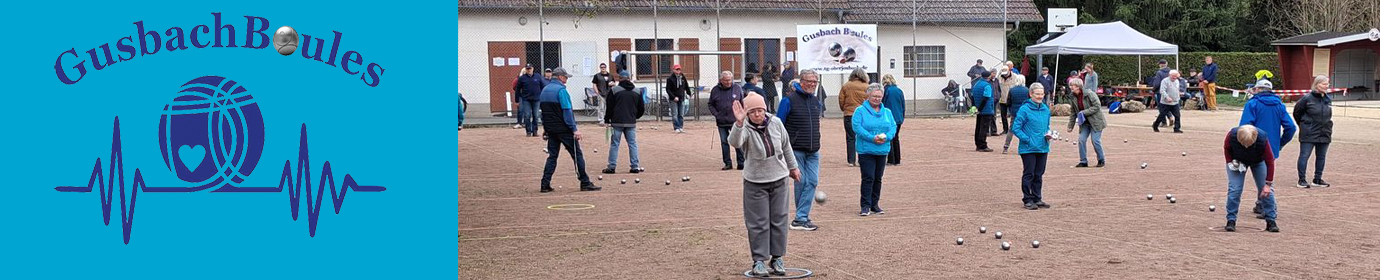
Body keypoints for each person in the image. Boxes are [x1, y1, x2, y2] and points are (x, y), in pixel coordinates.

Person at [729, 93, 799, 277]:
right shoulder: (744, 127)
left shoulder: (776, 123)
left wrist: (793, 167)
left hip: (779, 178)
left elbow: (786, 146)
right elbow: (734, 142)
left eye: (760, 110)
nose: (757, 114)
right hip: (755, 181)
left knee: (779, 219)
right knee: (758, 223)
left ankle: (777, 258)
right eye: (752, 111)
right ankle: (759, 261)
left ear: (765, 109)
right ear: (748, 113)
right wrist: (738, 123)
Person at [1239, 79, 1296, 218]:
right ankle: (1260, 204)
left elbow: (1245, 126)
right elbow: (1291, 127)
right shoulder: (1279, 105)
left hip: (1253, 146)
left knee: (1261, 178)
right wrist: (1280, 143)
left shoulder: (1252, 104)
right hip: (1272, 147)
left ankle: (1269, 207)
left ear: (1257, 89)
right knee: (1265, 176)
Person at [538, 68, 601, 193]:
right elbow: (567, 111)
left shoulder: (544, 90)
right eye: (566, 77)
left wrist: (545, 128)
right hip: (564, 129)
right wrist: (574, 129)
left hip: (551, 129)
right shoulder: (561, 91)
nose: (567, 79)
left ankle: (545, 184)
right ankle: (585, 182)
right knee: (577, 155)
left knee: (552, 156)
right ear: (560, 77)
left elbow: (543, 113)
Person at [776, 70, 824, 231]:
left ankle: (800, 217)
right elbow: (778, 125)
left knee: (812, 181)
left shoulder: (815, 100)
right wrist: (782, 148)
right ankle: (801, 218)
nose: (812, 84)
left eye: (814, 82)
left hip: (813, 149)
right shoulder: (788, 100)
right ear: (801, 81)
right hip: (795, 149)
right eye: (809, 81)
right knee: (801, 182)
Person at [1221, 125, 1280, 233]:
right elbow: (1227, 149)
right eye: (1243, 144)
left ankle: (1271, 220)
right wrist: (1230, 163)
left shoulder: (1262, 139)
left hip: (1258, 161)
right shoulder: (1231, 136)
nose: (1246, 147)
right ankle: (1231, 220)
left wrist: (1268, 184)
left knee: (1267, 191)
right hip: (1237, 161)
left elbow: (1270, 162)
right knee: (1235, 189)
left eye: (1249, 144)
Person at [853, 84, 896, 216]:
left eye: (879, 96)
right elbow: (857, 127)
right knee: (868, 177)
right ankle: (865, 205)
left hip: (882, 149)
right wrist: (872, 138)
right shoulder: (860, 111)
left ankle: (874, 204)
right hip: (866, 150)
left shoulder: (887, 112)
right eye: (874, 96)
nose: (877, 99)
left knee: (878, 178)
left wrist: (887, 137)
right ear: (868, 95)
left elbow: (893, 127)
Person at [1011, 80, 1052, 210]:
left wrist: (1049, 134)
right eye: (1037, 94)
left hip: (1043, 147)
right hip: (1028, 148)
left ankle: (1037, 197)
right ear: (1031, 94)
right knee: (1029, 174)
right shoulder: (1024, 109)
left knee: (1039, 174)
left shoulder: (1045, 109)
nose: (1040, 96)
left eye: (1042, 94)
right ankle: (1027, 199)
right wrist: (1027, 139)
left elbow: (1047, 126)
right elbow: (1016, 128)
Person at [1293, 75, 1333, 188]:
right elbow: (1297, 113)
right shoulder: (1306, 99)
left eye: (1327, 84)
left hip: (1325, 132)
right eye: (1324, 84)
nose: (1327, 86)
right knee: (1304, 156)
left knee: (1321, 156)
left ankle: (1317, 179)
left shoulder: (1327, 99)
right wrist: (1304, 125)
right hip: (1309, 133)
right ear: (1317, 84)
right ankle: (1301, 180)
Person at [602, 79, 646, 174]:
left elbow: (609, 107)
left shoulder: (614, 90)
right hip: (630, 122)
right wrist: (635, 116)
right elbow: (641, 108)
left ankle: (611, 166)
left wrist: (607, 119)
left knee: (615, 144)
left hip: (617, 121)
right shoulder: (637, 91)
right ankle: (635, 166)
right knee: (632, 144)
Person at [710, 71, 747, 170]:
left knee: (738, 142)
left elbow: (742, 102)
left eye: (730, 80)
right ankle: (727, 163)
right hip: (721, 122)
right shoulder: (715, 90)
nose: (728, 82)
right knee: (724, 142)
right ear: (721, 80)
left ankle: (741, 162)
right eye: (726, 80)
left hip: (735, 121)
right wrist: (716, 114)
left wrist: (742, 116)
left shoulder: (737, 88)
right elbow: (711, 104)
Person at [1065, 79, 1106, 168]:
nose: (1071, 87)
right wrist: (1070, 126)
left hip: (1096, 121)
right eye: (1070, 85)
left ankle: (1101, 159)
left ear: (1078, 86)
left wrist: (1084, 112)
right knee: (1081, 140)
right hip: (1084, 123)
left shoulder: (1090, 94)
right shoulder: (1072, 97)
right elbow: (1073, 112)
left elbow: (1097, 106)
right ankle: (1083, 161)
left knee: (1095, 141)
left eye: (1073, 85)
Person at [839, 68, 870, 167]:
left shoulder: (846, 85)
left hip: (849, 114)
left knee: (850, 138)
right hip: (863, 115)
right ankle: (862, 159)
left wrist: (845, 109)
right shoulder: (867, 87)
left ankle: (851, 161)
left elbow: (841, 100)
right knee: (863, 136)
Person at [881, 75, 906, 165]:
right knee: (896, 138)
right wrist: (902, 117)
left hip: (889, 118)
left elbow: (882, 104)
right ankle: (897, 159)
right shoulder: (899, 91)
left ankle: (891, 159)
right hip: (898, 117)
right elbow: (903, 105)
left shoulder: (886, 91)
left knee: (889, 138)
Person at [1001, 85, 1030, 154]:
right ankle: (1025, 147)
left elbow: (1008, 102)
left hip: (1014, 112)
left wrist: (1010, 109)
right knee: (1025, 130)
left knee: (1011, 130)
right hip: (1025, 112)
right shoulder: (1027, 90)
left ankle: (1006, 146)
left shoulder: (1012, 90)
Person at [998, 66, 1026, 135]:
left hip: (1012, 99)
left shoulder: (1015, 76)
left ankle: (1017, 129)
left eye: (1006, 73)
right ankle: (1005, 129)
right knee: (1003, 115)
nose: (1004, 75)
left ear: (1009, 71)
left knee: (1014, 115)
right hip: (1003, 99)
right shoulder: (999, 77)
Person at [972, 70, 995, 152]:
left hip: (979, 108)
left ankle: (978, 144)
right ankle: (983, 145)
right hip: (986, 109)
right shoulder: (987, 86)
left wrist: (975, 107)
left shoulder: (976, 84)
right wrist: (980, 109)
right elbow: (986, 98)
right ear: (988, 77)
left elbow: (972, 96)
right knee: (984, 128)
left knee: (978, 127)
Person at [518, 65, 545, 137]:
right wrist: (518, 99)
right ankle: (528, 131)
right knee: (527, 115)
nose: (529, 70)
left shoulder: (538, 76)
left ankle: (535, 131)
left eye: (530, 69)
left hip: (536, 99)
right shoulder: (522, 78)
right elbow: (517, 89)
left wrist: (542, 96)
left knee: (536, 116)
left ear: (533, 69)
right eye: (527, 69)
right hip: (526, 100)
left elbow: (542, 87)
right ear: (525, 70)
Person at [666, 64, 691, 133]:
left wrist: (689, 93)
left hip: (681, 98)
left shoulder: (682, 77)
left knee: (681, 114)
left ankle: (680, 127)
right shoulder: (670, 79)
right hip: (673, 99)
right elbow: (668, 89)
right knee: (675, 114)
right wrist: (673, 97)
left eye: (679, 69)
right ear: (673, 70)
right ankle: (676, 127)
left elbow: (686, 86)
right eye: (676, 69)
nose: (678, 71)